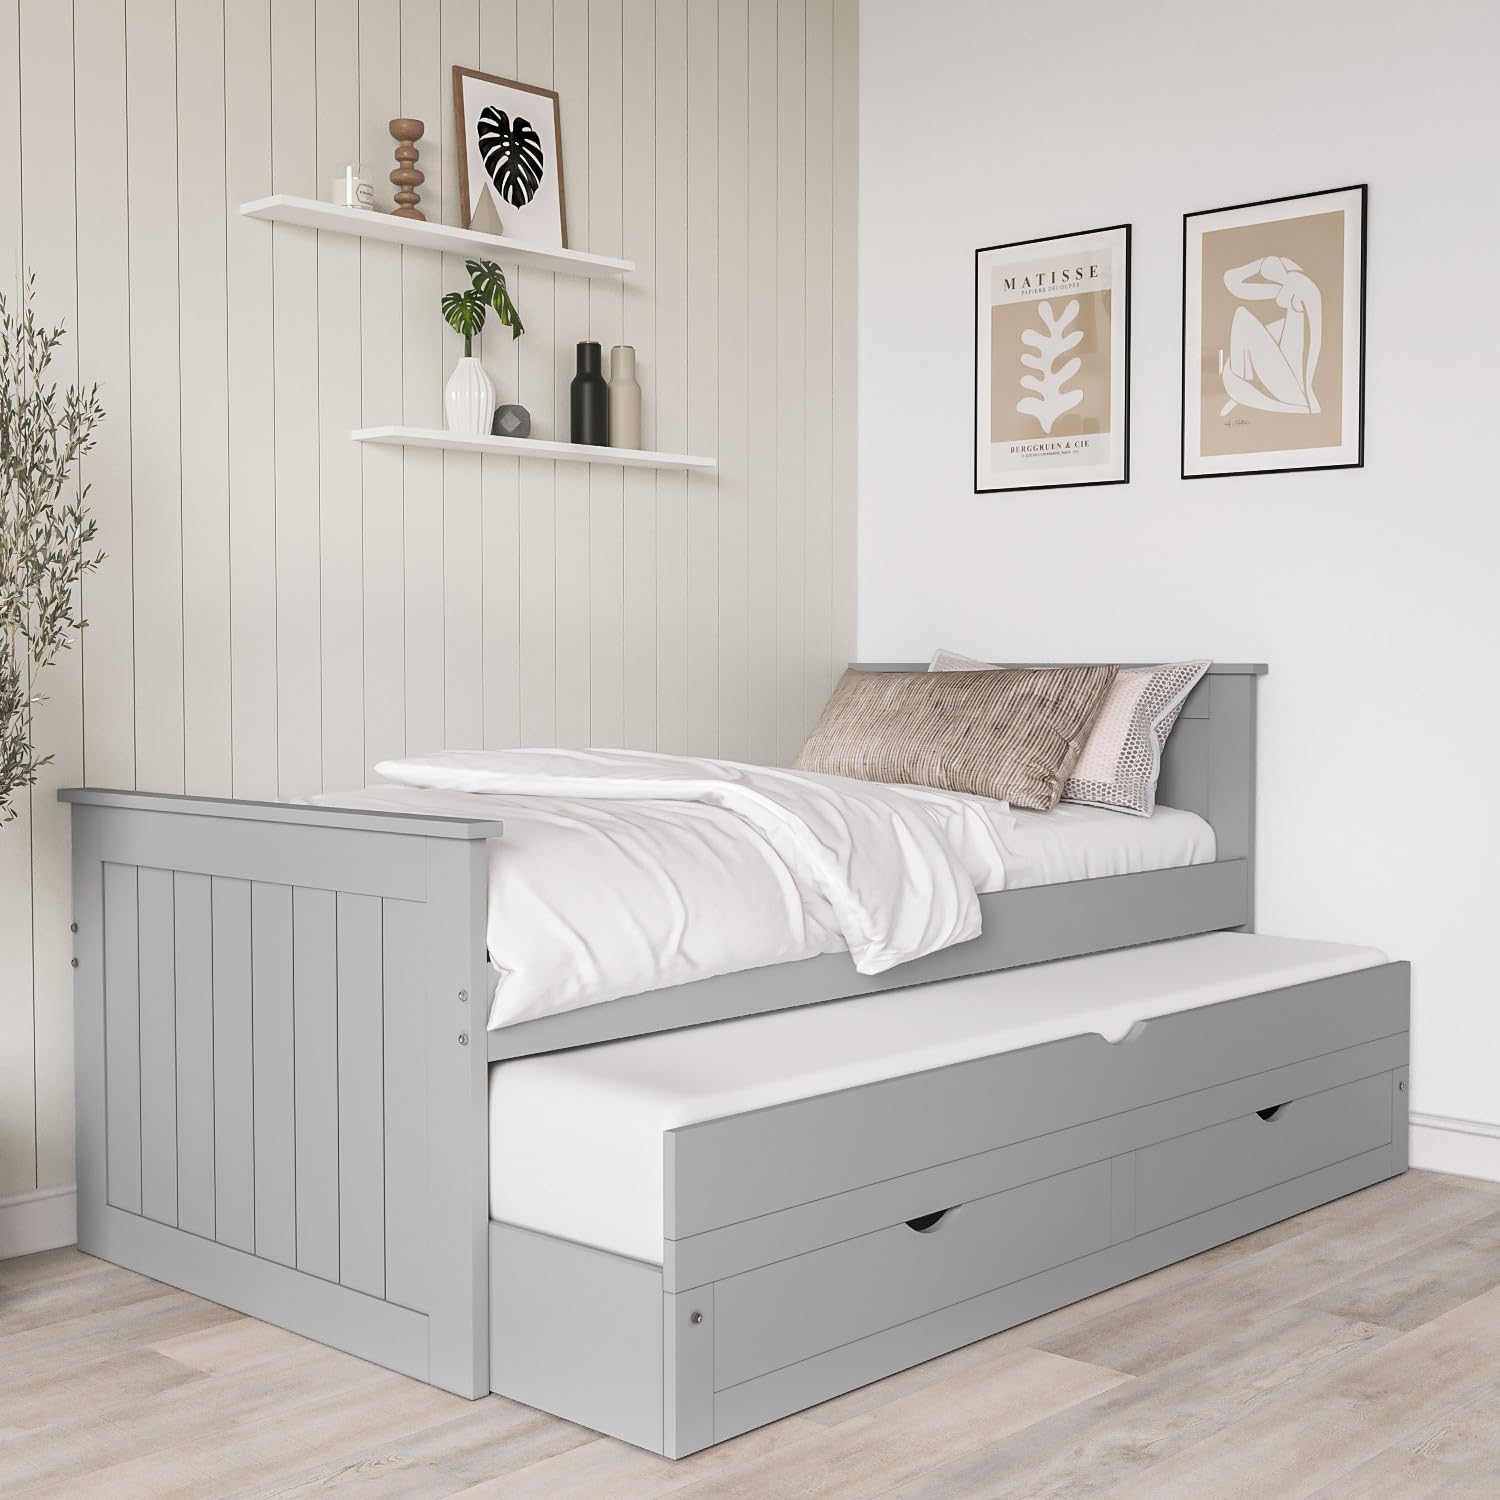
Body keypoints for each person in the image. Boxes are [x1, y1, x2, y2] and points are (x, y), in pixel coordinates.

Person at [1218, 254, 1322, 417]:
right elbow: (1232, 283)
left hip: (1291, 382)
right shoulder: (1287, 285)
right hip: (1284, 369)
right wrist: (1258, 264)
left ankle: (1240, 388)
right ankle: (1241, 388)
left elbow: (1316, 339)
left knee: (1242, 317)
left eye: (1270, 273)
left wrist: (1308, 389)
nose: (1270, 279)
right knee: (1243, 318)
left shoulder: (1302, 287)